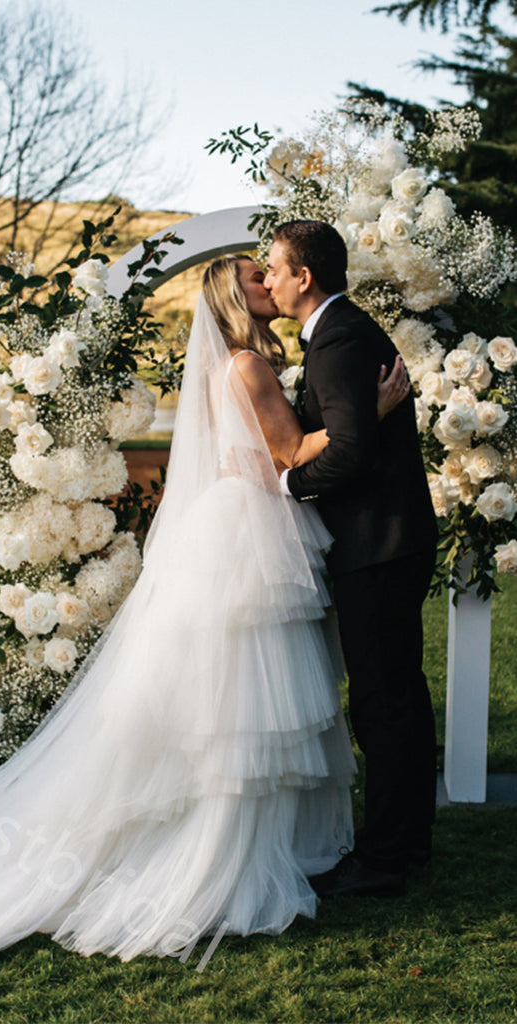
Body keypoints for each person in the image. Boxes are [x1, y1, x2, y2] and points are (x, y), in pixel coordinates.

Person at [0, 255, 406, 1024]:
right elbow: (292, 454)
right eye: (255, 275)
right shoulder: (247, 365)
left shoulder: (231, 364)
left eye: (271, 271)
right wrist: (376, 410)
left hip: (233, 523)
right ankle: (230, 846)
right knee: (249, 689)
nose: (268, 279)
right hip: (249, 531)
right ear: (236, 295)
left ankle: (247, 833)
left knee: (237, 687)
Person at [264, 220, 439, 899]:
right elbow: (356, 434)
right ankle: (409, 839)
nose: (269, 280)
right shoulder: (345, 332)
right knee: (399, 693)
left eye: (274, 268)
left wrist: (285, 486)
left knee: (381, 702)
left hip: (377, 545)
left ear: (304, 276)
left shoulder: (337, 340)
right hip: (392, 540)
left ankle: (385, 858)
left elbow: (349, 453)